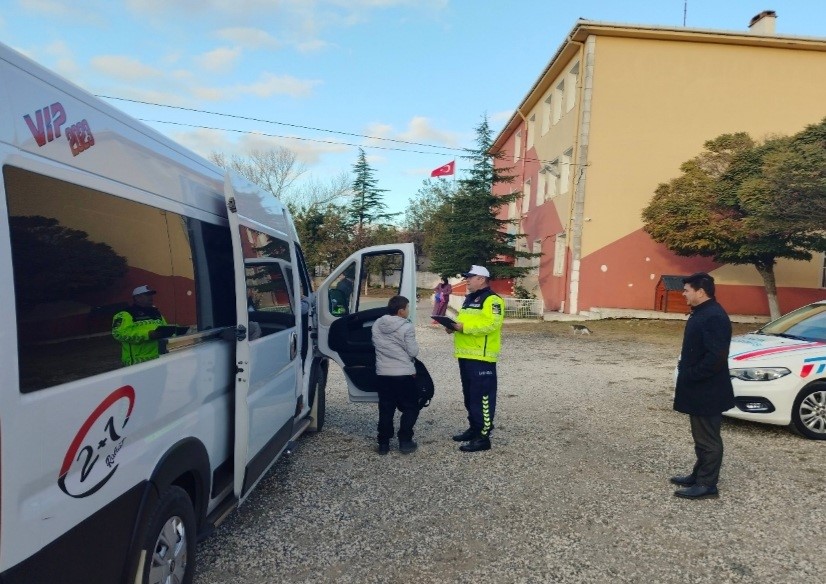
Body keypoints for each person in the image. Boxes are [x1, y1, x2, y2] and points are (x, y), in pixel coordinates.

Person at [671, 272, 735, 499]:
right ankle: (699, 475)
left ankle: (708, 485)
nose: (684, 293)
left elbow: (716, 357)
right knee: (701, 437)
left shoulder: (714, 316)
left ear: (700, 291)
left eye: (687, 290)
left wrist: (691, 374)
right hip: (699, 388)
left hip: (707, 389)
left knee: (709, 439)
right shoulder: (702, 313)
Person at [446, 265, 505, 453]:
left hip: (482, 356)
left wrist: (463, 328)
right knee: (470, 396)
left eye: (470, 277)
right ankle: (474, 428)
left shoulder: (493, 300)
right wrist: (452, 326)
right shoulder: (470, 299)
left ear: (481, 279)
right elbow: (466, 322)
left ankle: (483, 437)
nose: (467, 280)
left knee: (483, 398)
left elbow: (491, 324)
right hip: (465, 354)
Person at [371, 295, 420, 455]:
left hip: (383, 374)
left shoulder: (378, 324)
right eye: (407, 308)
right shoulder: (407, 327)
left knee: (386, 408)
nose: (408, 311)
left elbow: (374, 344)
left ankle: (383, 443)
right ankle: (405, 440)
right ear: (401, 311)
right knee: (410, 407)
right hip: (404, 374)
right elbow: (413, 351)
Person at [112, 284, 170, 366]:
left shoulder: (156, 313)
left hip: (159, 360)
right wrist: (148, 335)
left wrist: (176, 331)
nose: (151, 297)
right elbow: (119, 334)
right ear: (137, 298)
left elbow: (165, 329)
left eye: (151, 295)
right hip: (137, 363)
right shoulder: (125, 314)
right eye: (147, 295)